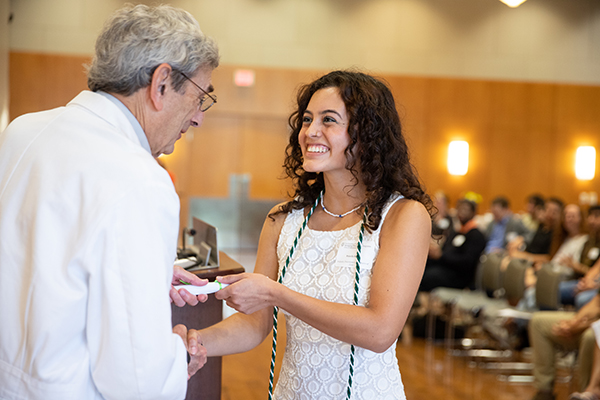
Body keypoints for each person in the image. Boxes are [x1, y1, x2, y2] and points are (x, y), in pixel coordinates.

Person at [0, 5, 219, 399]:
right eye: (200, 97)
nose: (198, 118)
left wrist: (149, 271)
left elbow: (36, 252)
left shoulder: (23, 132)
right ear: (162, 83)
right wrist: (179, 352)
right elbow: (136, 379)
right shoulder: (141, 179)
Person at [195, 71, 432, 399]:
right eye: (307, 120)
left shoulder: (403, 216)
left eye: (329, 120)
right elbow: (255, 325)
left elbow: (380, 331)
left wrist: (277, 294)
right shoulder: (283, 219)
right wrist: (193, 344)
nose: (311, 132)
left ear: (368, 132)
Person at [529, 293, 600, 400]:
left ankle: (587, 393)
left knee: (592, 336)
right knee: (538, 322)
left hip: (593, 325)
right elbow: (596, 301)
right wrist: (574, 321)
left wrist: (579, 326)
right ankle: (544, 392)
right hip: (587, 321)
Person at [419, 198, 487, 292]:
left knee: (427, 277)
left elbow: (466, 262)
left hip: (460, 276)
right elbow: (445, 250)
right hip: (446, 268)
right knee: (421, 268)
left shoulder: (476, 235)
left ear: (473, 213)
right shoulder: (457, 232)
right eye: (459, 209)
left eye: (465, 209)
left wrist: (441, 256)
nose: (461, 212)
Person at [559, 205, 600, 308]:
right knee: (552, 289)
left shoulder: (584, 238)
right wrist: (587, 281)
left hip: (595, 284)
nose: (591, 220)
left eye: (596, 216)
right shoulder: (590, 241)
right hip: (587, 281)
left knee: (582, 299)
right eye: (590, 216)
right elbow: (595, 269)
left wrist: (595, 285)